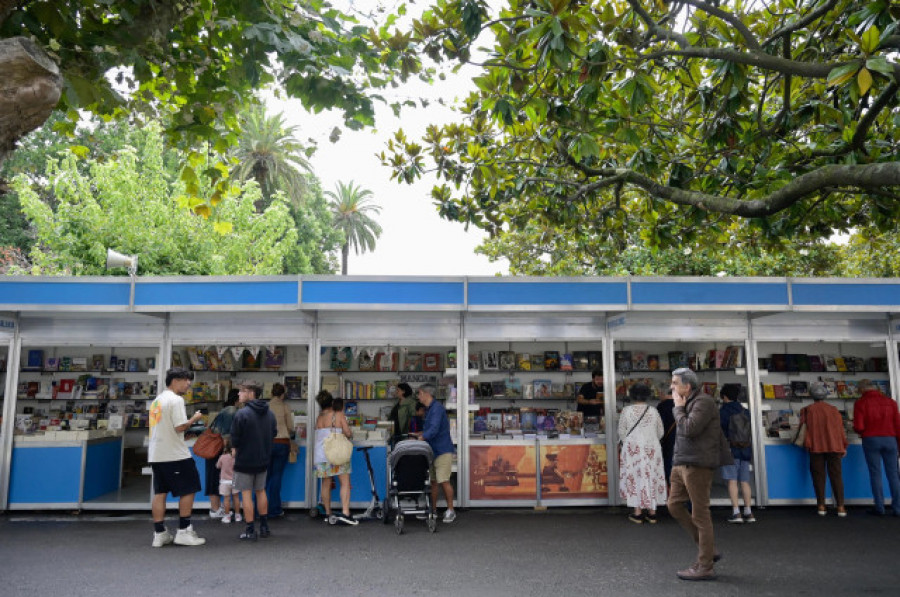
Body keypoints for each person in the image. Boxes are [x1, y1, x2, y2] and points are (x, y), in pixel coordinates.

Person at [667, 367, 730, 581]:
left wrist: (677, 407)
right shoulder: (688, 403)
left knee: (700, 515)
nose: (671, 387)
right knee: (673, 505)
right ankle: (709, 549)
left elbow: (689, 429)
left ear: (688, 385)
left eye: (675, 383)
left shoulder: (703, 402)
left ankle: (705, 565)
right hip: (682, 462)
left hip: (697, 464)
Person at [148, 367, 206, 547]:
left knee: (160, 492)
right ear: (175, 381)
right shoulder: (176, 400)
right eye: (185, 380)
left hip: (157, 453)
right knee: (189, 488)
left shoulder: (157, 400)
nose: (188, 384)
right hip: (175, 454)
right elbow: (180, 427)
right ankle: (184, 530)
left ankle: (160, 533)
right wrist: (194, 419)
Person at [230, 379, 277, 541]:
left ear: (251, 393)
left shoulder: (241, 414)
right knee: (261, 491)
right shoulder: (270, 413)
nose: (238, 394)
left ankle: (250, 529)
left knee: (246, 494)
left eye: (242, 391)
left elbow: (234, 439)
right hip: (263, 459)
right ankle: (264, 526)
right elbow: (274, 433)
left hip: (245, 460)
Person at [617, 383, 667, 524]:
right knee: (651, 477)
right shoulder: (653, 411)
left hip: (633, 450)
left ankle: (637, 513)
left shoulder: (626, 411)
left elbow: (621, 432)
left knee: (634, 478)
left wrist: (631, 442)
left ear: (631, 395)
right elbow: (660, 432)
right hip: (651, 450)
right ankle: (652, 513)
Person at [852, 380, 900, 517]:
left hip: (871, 439)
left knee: (875, 473)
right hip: (890, 439)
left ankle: (879, 507)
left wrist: (861, 432)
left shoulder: (861, 403)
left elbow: (859, 426)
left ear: (862, 389)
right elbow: (898, 425)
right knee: (894, 475)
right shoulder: (891, 403)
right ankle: (897, 507)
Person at [801, 382, 848, 517]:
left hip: (816, 446)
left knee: (818, 476)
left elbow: (803, 429)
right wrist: (843, 445)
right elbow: (840, 430)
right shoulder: (834, 410)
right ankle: (840, 507)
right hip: (834, 445)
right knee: (836, 476)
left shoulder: (807, 410)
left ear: (812, 396)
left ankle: (821, 505)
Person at [412, 383, 457, 523]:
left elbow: (434, 429)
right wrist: (418, 434)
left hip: (442, 450)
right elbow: (430, 429)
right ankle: (434, 510)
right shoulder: (429, 409)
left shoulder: (436, 409)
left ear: (426, 394)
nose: (418, 396)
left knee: (443, 480)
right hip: (432, 450)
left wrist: (421, 438)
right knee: (433, 482)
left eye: (419, 393)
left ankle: (451, 510)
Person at [314, 390, 358, 526]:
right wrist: (349, 434)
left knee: (325, 484)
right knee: (344, 483)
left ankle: (328, 514)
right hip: (337, 454)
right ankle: (345, 512)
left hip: (322, 455)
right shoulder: (338, 415)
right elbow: (348, 433)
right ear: (331, 402)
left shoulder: (319, 418)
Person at [719, 384, 756, 523]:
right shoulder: (745, 411)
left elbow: (719, 431)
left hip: (730, 450)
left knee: (732, 481)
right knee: (745, 482)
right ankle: (749, 511)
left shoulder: (723, 411)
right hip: (745, 449)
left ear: (725, 396)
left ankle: (736, 513)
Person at [203, 388, 239, 519]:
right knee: (215, 478)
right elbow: (226, 436)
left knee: (215, 477)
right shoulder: (231, 411)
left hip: (214, 449)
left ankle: (217, 507)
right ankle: (215, 509)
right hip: (217, 449)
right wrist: (228, 453)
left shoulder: (227, 410)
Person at [266, 382, 296, 518]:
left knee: (263, 477)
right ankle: (274, 509)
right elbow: (290, 427)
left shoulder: (266, 407)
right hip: (282, 443)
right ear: (282, 394)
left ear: (271, 393)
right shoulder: (285, 407)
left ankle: (259, 509)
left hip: (267, 443)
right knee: (277, 476)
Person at [216, 438, 243, 524]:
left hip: (224, 482)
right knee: (236, 498)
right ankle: (238, 515)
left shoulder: (222, 457)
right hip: (235, 480)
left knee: (226, 499)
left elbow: (217, 466)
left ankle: (227, 516)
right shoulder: (237, 457)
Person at [656, 390, 676, 488]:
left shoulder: (662, 407)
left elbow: (659, 426)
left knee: (668, 464)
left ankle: (670, 488)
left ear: (664, 394)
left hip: (668, 441)